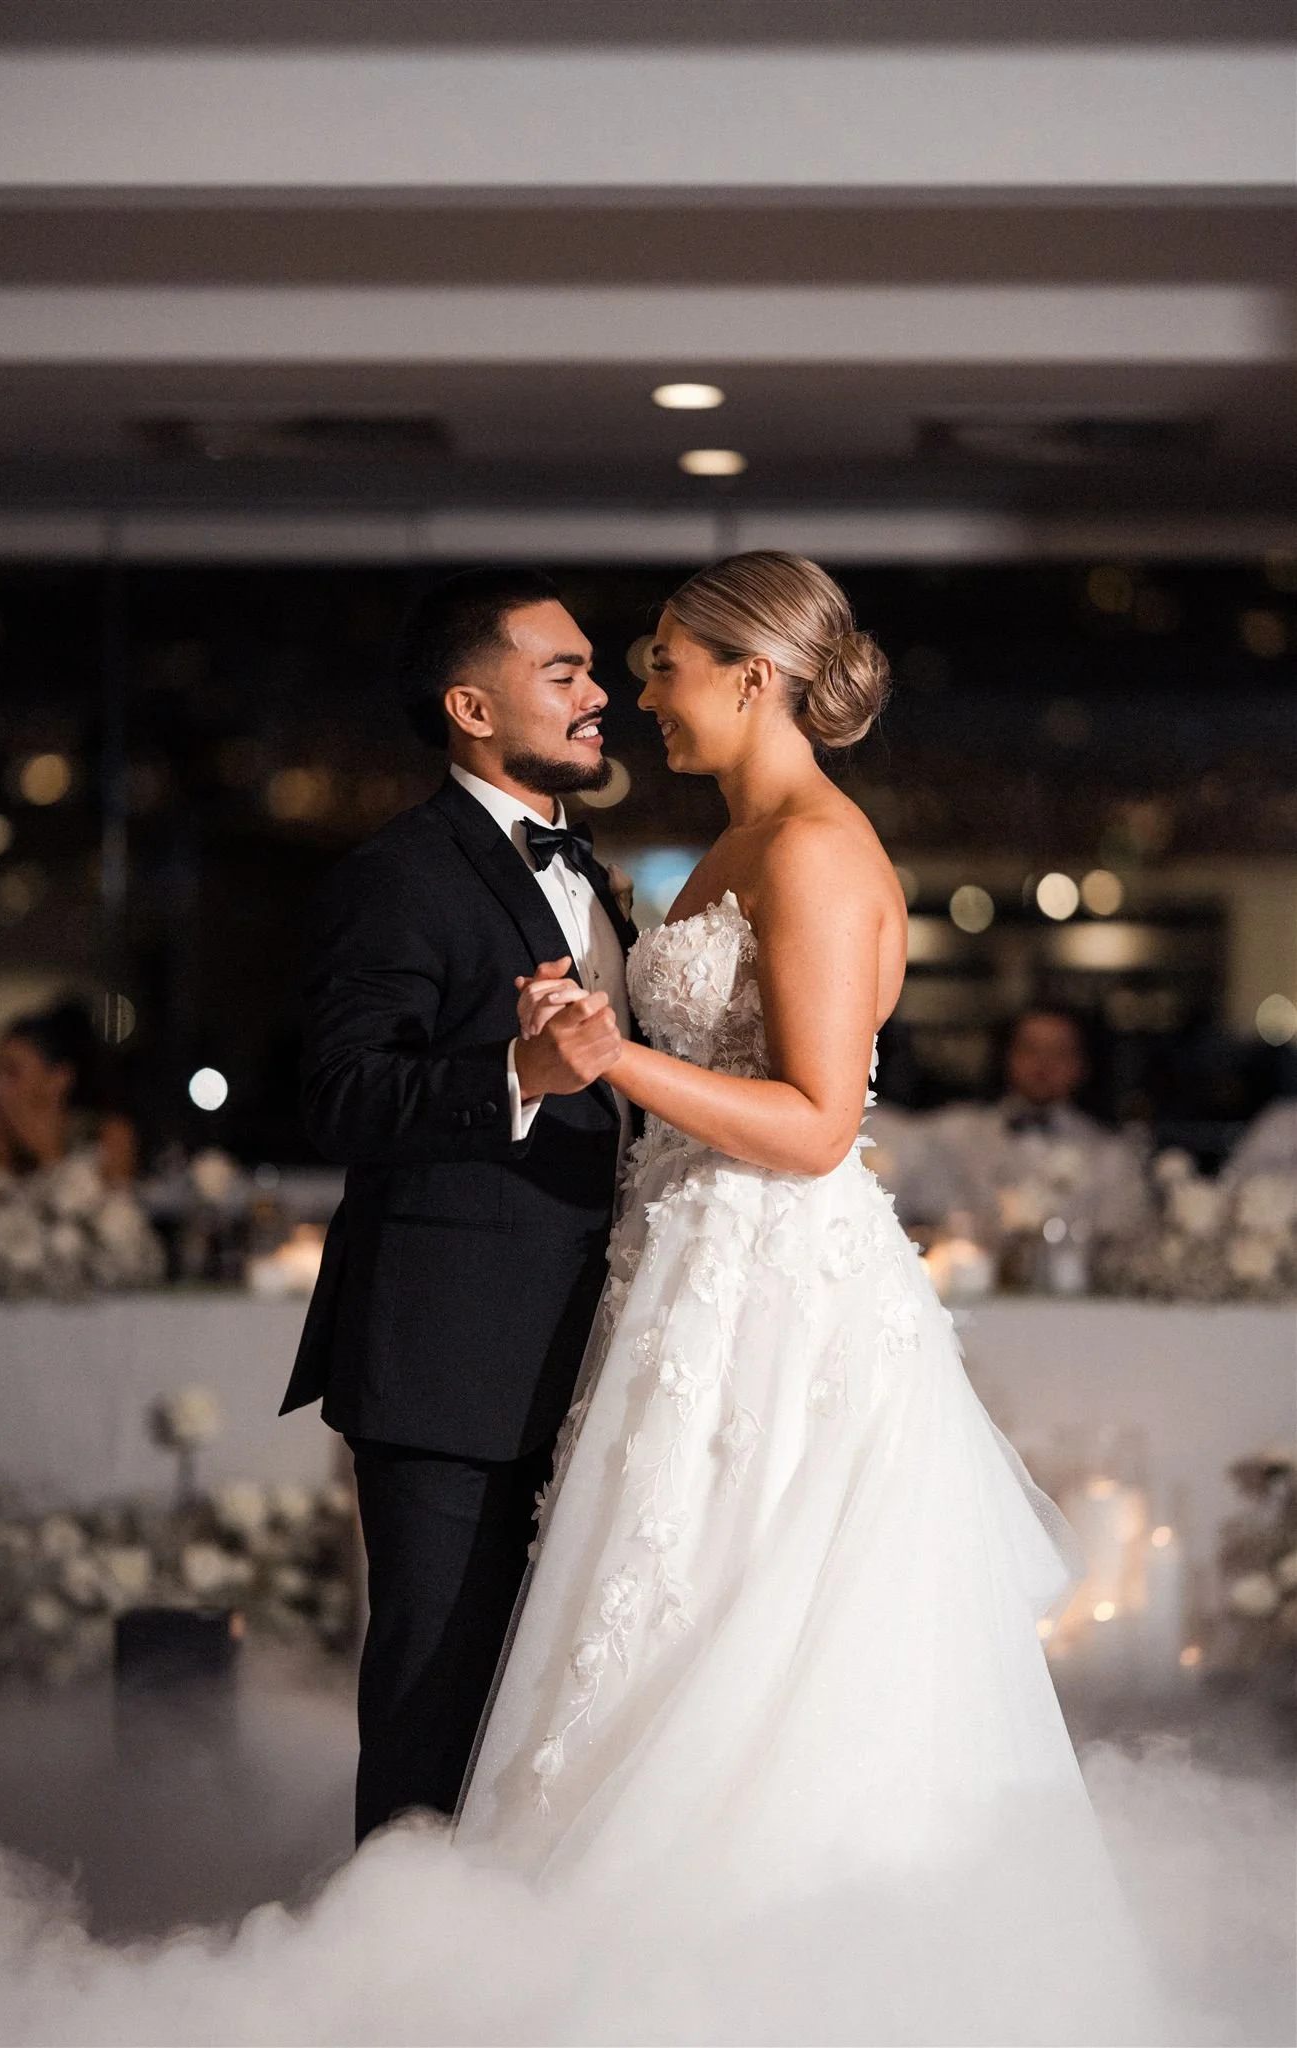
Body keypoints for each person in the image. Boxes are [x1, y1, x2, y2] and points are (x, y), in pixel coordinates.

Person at [452, 554, 1150, 2033]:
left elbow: (822, 1121)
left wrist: (616, 1060)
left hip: (770, 1293)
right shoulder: (738, 841)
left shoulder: (817, 851)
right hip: (688, 1271)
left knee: (759, 1640)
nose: (642, 694)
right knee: (660, 1621)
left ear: (753, 674)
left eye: (665, 663)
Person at [280, 568, 637, 1844]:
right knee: (434, 1710)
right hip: (451, 1364)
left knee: (551, 1712)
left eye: (593, 668)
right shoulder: (400, 872)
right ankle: (399, 1956)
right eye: (564, 672)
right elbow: (339, 1094)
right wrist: (516, 1072)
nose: (600, 693)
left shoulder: (593, 872)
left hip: (595, 1353)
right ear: (472, 707)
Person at [918, 1005, 1149, 1240]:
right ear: (1007, 1056)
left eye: (1059, 1052)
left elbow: (1123, 1237)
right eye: (1030, 1049)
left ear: (1082, 1064)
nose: (1043, 1064)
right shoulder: (958, 1134)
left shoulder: (1110, 1154)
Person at [0, 1001, 137, 1186]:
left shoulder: (105, 1135)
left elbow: (111, 1202)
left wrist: (46, 1153)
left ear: (58, 1078)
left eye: (11, 1072)